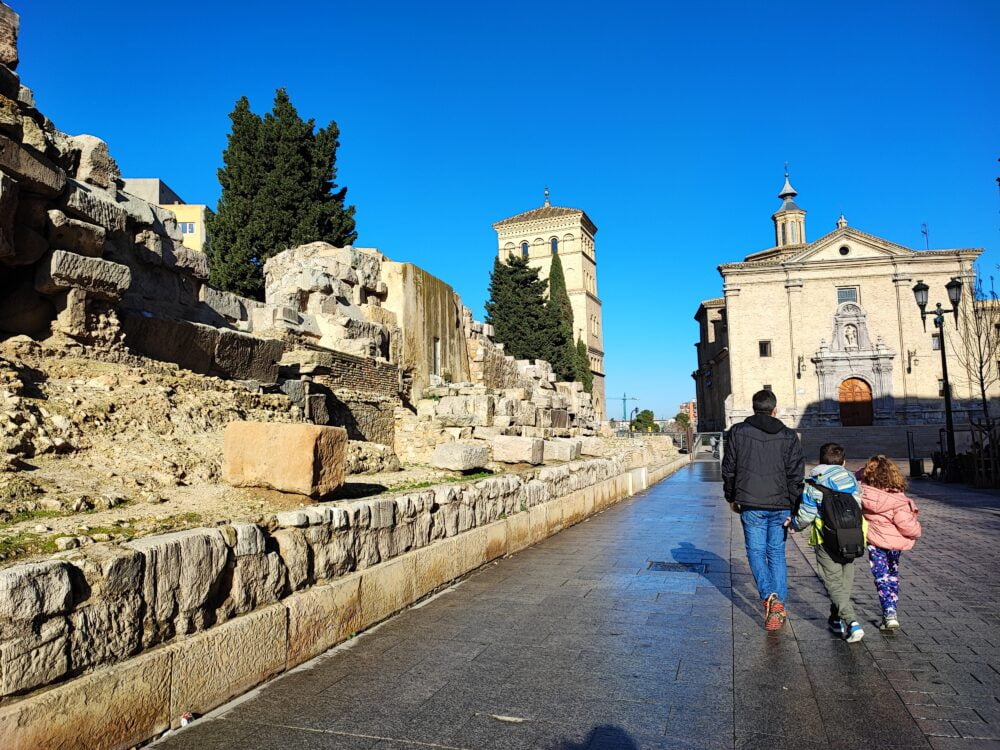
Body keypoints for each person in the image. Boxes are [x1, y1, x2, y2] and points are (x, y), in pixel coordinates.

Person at [721, 390, 804, 631]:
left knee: (756, 552)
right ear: (774, 409)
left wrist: (731, 496)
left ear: (753, 407)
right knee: (776, 553)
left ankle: (770, 597)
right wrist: (795, 506)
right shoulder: (789, 436)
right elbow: (796, 474)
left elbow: (729, 468)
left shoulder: (737, 432)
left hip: (750, 502)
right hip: (780, 504)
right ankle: (779, 603)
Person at [790, 443, 866, 642]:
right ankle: (836, 617)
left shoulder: (813, 483)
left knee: (832, 581)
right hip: (853, 535)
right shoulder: (851, 479)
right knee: (845, 578)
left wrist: (795, 525)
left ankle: (851, 622)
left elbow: (806, 515)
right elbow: (860, 504)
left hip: (826, 538)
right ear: (843, 461)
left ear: (820, 460)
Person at [856, 455, 922, 631]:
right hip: (894, 543)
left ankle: (888, 611)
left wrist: (863, 473)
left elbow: (855, 476)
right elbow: (906, 525)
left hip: (875, 541)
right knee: (893, 573)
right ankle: (891, 610)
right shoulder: (898, 499)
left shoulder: (865, 494)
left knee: (881, 575)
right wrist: (917, 530)